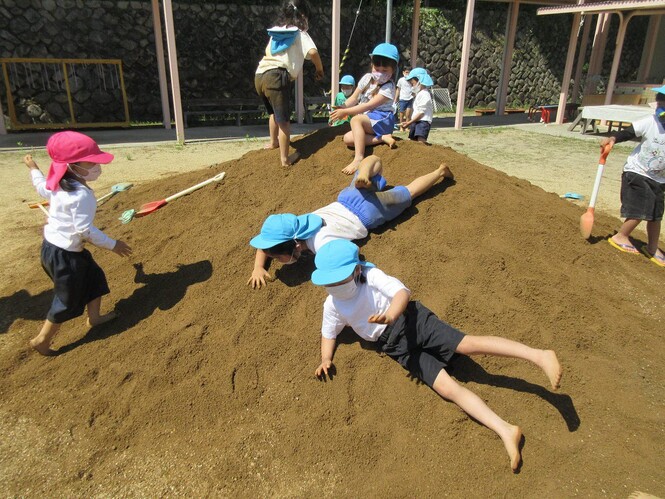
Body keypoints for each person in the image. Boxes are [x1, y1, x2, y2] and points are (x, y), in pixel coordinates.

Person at [311, 239, 563, 472]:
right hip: (393, 346)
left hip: (412, 320)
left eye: (338, 280)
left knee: (467, 344)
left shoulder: (371, 275)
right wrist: (326, 358)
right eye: (329, 283)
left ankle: (539, 355)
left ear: (356, 270)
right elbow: (328, 332)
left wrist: (390, 315)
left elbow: (401, 293)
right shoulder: (332, 304)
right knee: (447, 388)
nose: (334, 286)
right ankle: (506, 430)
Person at [247, 155, 453, 288]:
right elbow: (269, 243)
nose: (273, 260)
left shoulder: (321, 242)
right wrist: (258, 267)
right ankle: (365, 172)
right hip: (348, 197)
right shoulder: (296, 225)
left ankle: (439, 172)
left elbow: (345, 256)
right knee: (374, 161)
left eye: (276, 257)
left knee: (410, 192)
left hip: (368, 214)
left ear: (293, 247)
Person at [23, 131, 132, 356]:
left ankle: (95, 317)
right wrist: (113, 244)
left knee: (94, 277)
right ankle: (42, 340)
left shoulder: (58, 184)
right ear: (72, 166)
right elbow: (85, 230)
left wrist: (33, 168)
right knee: (68, 299)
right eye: (90, 162)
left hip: (56, 249)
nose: (96, 166)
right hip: (65, 255)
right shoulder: (81, 195)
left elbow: (40, 185)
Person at [255, 0, 324, 167]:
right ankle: (285, 159)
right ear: (303, 17)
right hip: (277, 76)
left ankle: (273, 142)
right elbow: (313, 52)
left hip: (260, 75)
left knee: (273, 113)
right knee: (284, 121)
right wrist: (319, 69)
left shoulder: (276, 34)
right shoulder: (300, 33)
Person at [602, 86, 665, 268]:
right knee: (641, 209)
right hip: (638, 172)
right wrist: (613, 139)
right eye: (661, 102)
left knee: (655, 214)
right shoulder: (650, 122)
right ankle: (620, 236)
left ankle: (652, 247)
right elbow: (629, 132)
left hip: (659, 179)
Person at [328, 43, 400, 175]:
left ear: (393, 70)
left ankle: (358, 158)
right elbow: (353, 98)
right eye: (377, 68)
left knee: (356, 120)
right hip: (369, 120)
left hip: (382, 119)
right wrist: (341, 107)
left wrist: (345, 112)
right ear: (372, 65)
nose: (380, 73)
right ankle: (381, 138)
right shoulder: (367, 79)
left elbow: (368, 106)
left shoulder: (388, 88)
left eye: (385, 70)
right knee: (348, 139)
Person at [401, 68, 434, 144]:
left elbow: (421, 113)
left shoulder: (425, 94)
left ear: (419, 81)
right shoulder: (419, 94)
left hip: (423, 122)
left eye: (412, 83)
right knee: (412, 142)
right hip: (416, 121)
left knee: (420, 142)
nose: (412, 85)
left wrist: (409, 122)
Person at [394, 66, 414, 132]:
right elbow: (398, 89)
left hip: (410, 98)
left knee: (408, 114)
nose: (407, 74)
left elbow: (415, 88)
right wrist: (396, 98)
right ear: (403, 72)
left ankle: (407, 127)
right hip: (402, 99)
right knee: (401, 113)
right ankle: (401, 127)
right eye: (406, 72)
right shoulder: (401, 80)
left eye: (409, 73)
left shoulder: (412, 80)